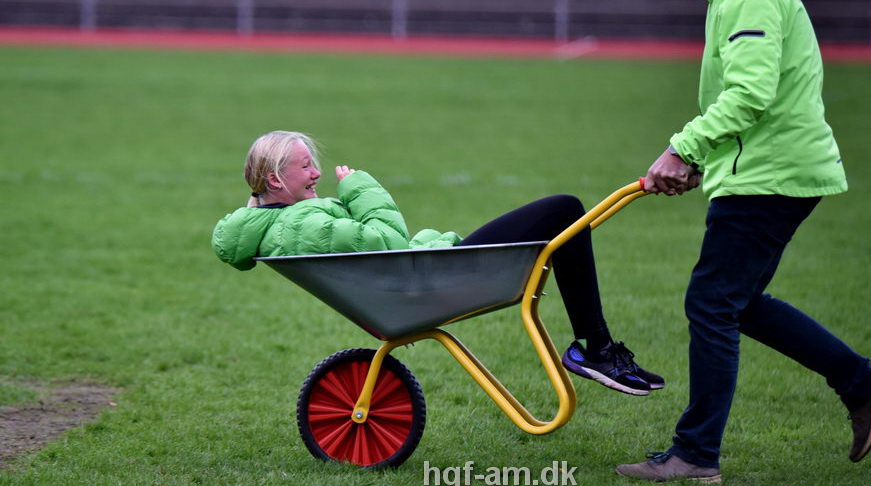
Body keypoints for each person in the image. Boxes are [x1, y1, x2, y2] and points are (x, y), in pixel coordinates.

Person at [616, 0, 871, 483]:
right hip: (772, 170)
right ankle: (862, 383)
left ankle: (696, 455)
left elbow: (750, 93)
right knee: (735, 302)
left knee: (712, 303)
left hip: (770, 176)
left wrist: (684, 148)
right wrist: (700, 159)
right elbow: (745, 98)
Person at [212, 130, 662, 395]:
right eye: (307, 167)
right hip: (429, 282)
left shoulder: (288, 222)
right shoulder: (301, 225)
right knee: (564, 209)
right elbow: (388, 241)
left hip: (423, 278)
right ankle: (595, 350)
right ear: (275, 179)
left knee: (565, 218)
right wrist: (360, 188)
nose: (316, 174)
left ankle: (595, 348)